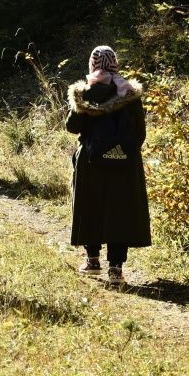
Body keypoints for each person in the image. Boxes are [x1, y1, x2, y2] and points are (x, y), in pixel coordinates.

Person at [66, 46, 151, 286]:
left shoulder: (84, 92)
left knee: (90, 207)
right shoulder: (129, 93)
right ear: (115, 64)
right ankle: (116, 269)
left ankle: (92, 260)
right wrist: (123, 151)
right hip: (125, 162)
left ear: (92, 64)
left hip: (91, 161)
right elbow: (140, 133)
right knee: (119, 212)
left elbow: (72, 127)